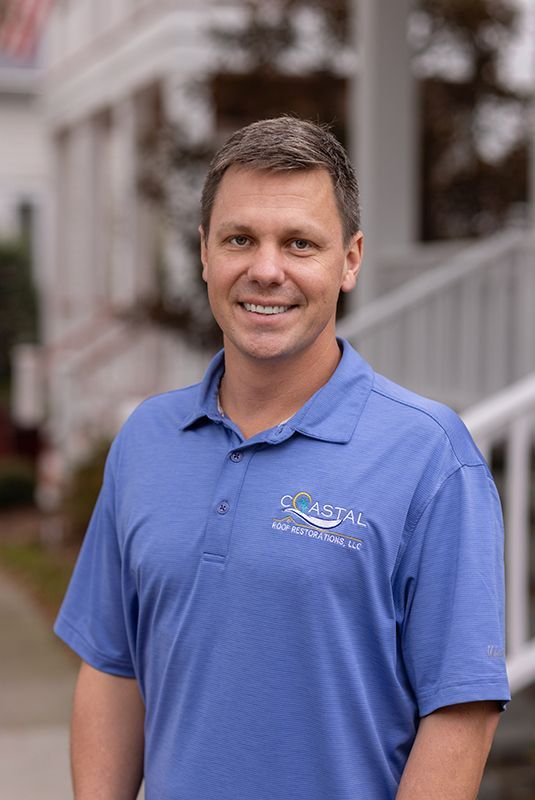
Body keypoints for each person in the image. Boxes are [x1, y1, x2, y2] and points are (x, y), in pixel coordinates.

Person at [55, 116, 510, 800]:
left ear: (349, 260)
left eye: (299, 243)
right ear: (205, 253)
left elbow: (460, 713)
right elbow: (114, 666)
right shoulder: (147, 438)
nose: (266, 270)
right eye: (240, 239)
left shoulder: (430, 456)